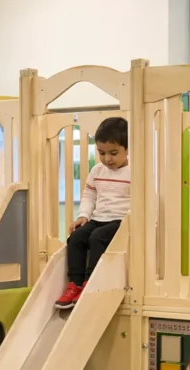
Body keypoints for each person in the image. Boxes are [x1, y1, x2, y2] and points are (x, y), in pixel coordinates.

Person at [55, 117, 130, 310]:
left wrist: (135, 221)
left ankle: (91, 282)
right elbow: (89, 194)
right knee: (77, 237)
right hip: (98, 218)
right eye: (101, 153)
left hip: (121, 221)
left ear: (127, 149)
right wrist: (83, 216)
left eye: (113, 153)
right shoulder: (97, 170)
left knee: (97, 238)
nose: (107, 159)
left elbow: (146, 200)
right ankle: (75, 284)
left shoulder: (135, 172)